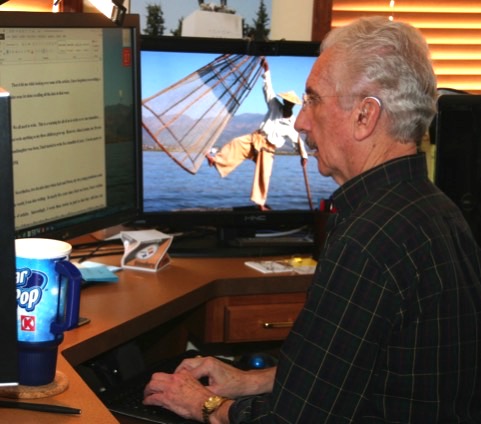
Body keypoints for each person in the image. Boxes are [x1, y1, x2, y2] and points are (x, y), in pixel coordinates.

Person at [143, 16, 481, 423]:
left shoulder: (367, 241)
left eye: (314, 100)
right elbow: (343, 370)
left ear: (364, 116)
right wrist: (249, 381)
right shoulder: (435, 211)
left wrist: (204, 404)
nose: (301, 122)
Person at [206, 58, 308, 210]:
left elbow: (297, 141)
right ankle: (216, 161)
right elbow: (268, 90)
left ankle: (260, 203)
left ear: (293, 105)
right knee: (236, 143)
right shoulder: (275, 106)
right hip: (256, 138)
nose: (287, 104)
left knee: (264, 174)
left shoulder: (292, 123)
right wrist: (266, 71)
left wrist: (304, 156)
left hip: (268, 148)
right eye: (286, 102)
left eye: (289, 103)